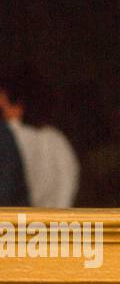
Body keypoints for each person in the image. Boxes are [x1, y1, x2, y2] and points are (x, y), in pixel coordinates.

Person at [0, 67, 78, 208]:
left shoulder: (8, 137)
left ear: (17, 103)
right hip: (52, 224)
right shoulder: (57, 140)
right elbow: (67, 187)